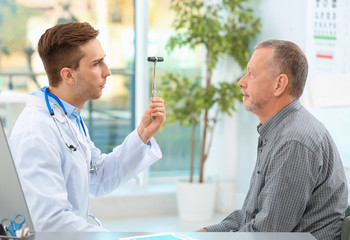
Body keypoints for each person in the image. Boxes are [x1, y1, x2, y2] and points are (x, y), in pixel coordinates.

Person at [9, 22, 166, 232]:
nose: (108, 71)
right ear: (68, 75)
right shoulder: (37, 131)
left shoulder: (68, 116)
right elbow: (51, 223)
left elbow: (99, 177)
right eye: (97, 63)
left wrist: (142, 135)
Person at [198, 40, 348, 240]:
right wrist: (206, 233)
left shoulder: (293, 142)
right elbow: (251, 215)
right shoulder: (278, 130)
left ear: (279, 85)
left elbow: (267, 233)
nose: (241, 82)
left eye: (251, 74)